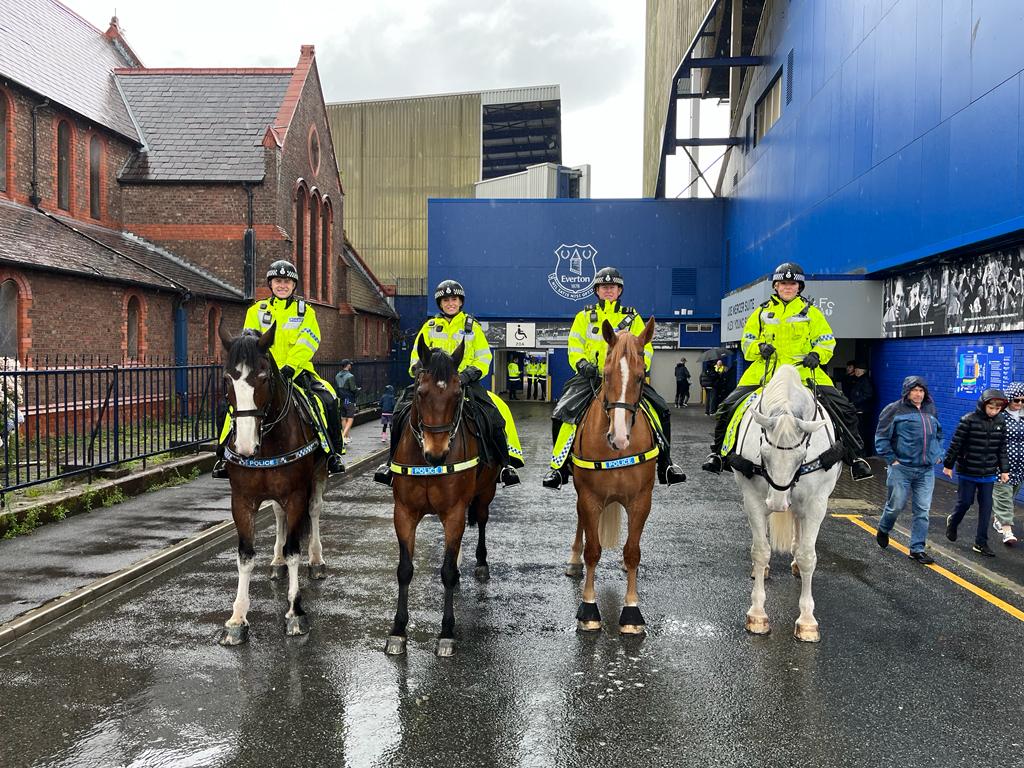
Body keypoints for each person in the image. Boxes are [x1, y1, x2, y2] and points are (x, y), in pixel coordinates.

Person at [701, 262, 874, 481]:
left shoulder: (812, 313)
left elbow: (826, 341)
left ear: (799, 287)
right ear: (775, 286)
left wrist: (818, 355)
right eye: (783, 283)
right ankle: (717, 454)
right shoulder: (761, 313)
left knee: (845, 409)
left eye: (792, 284)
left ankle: (856, 458)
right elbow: (747, 341)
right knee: (728, 407)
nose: (788, 287)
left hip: (804, 373)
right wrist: (759, 348)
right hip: (765, 374)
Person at [541, 266, 685, 489]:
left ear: (620, 291)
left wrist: (639, 366)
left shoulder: (632, 316)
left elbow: (645, 347)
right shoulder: (584, 317)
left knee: (661, 410)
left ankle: (666, 464)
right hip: (591, 377)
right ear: (597, 291)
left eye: (613, 287)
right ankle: (559, 468)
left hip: (625, 378)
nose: (608, 290)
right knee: (562, 412)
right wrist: (581, 364)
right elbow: (574, 345)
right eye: (604, 287)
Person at [373, 279, 523, 486]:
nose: (450, 303)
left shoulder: (472, 327)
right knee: (400, 411)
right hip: (432, 384)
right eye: (445, 300)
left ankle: (505, 465)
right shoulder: (430, 327)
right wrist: (420, 372)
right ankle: (390, 464)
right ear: (440, 303)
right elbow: (416, 357)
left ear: (461, 302)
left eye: (454, 299)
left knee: (493, 415)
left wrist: (466, 376)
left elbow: (483, 357)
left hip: (464, 382)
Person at [213, 260, 346, 477]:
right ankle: (223, 456)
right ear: (271, 284)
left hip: (297, 372)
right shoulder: (257, 310)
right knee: (225, 408)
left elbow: (309, 342)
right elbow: (249, 344)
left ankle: (331, 453)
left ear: (294, 286)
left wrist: (289, 367)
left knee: (327, 399)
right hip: (261, 375)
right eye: (277, 281)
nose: (282, 285)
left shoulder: (306, 312)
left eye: (287, 281)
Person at [873, 376, 944, 564]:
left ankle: (917, 549)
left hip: (926, 470)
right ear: (907, 391)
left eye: (921, 391)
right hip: (901, 469)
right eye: (915, 390)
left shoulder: (931, 409)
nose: (918, 394)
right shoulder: (894, 409)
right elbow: (881, 436)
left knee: (922, 510)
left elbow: (938, 434)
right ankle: (884, 527)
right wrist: (891, 459)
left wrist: (938, 453)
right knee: (895, 506)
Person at [943, 389, 1010, 557]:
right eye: (991, 408)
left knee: (986, 508)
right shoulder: (968, 420)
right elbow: (956, 444)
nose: (994, 411)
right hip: (968, 471)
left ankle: (981, 542)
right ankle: (953, 522)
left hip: (988, 473)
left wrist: (1004, 470)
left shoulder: (1001, 422)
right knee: (965, 503)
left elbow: (1002, 448)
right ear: (983, 405)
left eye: (997, 409)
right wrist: (948, 465)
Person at [991, 382, 1023, 545]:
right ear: (1009, 399)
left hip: (1020, 467)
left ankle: (998, 519)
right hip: (1001, 466)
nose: (1020, 404)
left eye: (1023, 401)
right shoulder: (1000, 416)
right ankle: (1007, 531)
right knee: (1004, 498)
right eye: (1016, 400)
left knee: (1010, 496)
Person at [845, 361, 875, 455]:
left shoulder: (865, 381)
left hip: (862, 411)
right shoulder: (858, 380)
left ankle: (864, 453)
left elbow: (868, 395)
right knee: (860, 432)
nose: (856, 371)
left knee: (862, 433)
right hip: (859, 410)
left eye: (858, 370)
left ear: (863, 371)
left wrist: (855, 402)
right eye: (856, 370)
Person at [333, 359, 359, 453]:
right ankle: (343, 436)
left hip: (341, 398)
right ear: (348, 365)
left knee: (343, 417)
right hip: (349, 399)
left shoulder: (337, 376)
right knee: (350, 417)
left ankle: (347, 437)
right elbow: (353, 389)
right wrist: (357, 391)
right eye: (350, 364)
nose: (351, 366)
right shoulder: (350, 376)